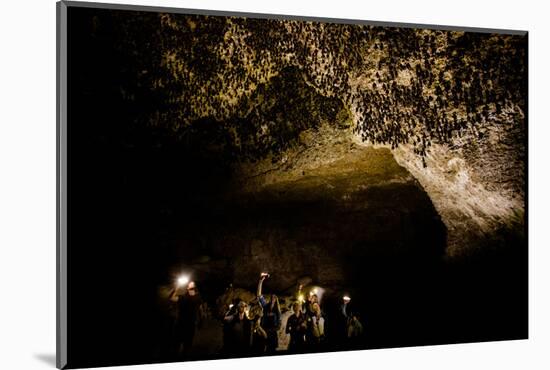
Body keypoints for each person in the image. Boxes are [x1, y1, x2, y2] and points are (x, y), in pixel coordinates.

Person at [169, 280, 203, 356]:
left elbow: (200, 309)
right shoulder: (183, 297)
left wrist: (201, 320)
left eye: (193, 283)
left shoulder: (198, 298)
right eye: (189, 283)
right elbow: (171, 298)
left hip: (190, 325)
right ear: (187, 287)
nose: (191, 283)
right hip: (180, 324)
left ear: (195, 287)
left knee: (187, 347)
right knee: (176, 346)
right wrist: (176, 288)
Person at [257, 273, 281, 353]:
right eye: (272, 297)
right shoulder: (266, 307)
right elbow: (259, 296)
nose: (273, 298)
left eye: (274, 297)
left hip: (272, 335)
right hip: (264, 333)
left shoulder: (277, 311)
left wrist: (270, 332)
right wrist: (260, 282)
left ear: (276, 299)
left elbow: (279, 325)